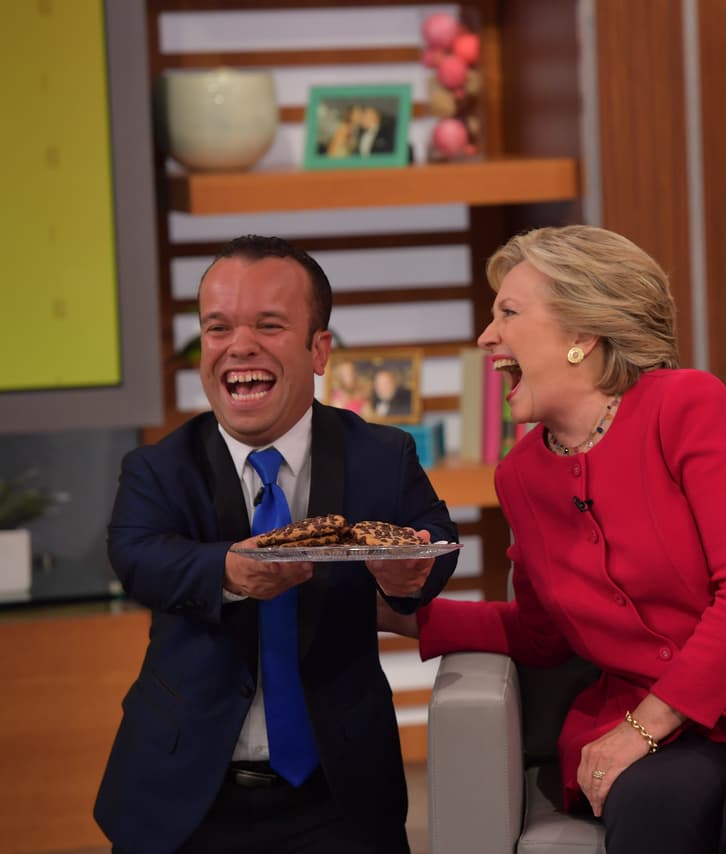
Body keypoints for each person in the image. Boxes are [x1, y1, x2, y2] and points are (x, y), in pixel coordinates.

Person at [379, 225, 726, 853]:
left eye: (508, 312)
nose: (487, 337)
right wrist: (392, 613)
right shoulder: (521, 476)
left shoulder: (685, 406)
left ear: (583, 335)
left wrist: (641, 730)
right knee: (647, 808)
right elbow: (540, 634)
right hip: (687, 730)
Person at [95, 235, 460, 854]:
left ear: (320, 350)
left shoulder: (382, 455)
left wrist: (408, 582)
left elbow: (434, 545)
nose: (239, 346)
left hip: (339, 798)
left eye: (269, 324)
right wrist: (232, 572)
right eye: (218, 328)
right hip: (186, 800)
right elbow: (139, 559)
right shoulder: (158, 468)